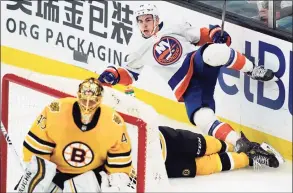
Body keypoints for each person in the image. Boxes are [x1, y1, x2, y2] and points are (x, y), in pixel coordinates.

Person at [97, 4, 277, 153]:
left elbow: (201, 36)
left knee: (215, 51)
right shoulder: (136, 48)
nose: (144, 25)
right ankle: (242, 144)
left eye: (148, 20)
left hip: (195, 62)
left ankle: (252, 70)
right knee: (201, 118)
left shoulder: (174, 26)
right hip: (185, 86)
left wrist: (216, 34)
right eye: (141, 21)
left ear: (157, 20)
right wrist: (114, 74)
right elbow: (130, 74)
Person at [16, 78, 134, 192]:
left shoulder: (114, 123)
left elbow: (119, 168)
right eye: (84, 100)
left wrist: (116, 185)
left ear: (99, 100)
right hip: (56, 174)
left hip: (91, 177)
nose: (87, 105)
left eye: (92, 101)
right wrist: (37, 177)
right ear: (78, 96)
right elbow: (36, 154)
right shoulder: (56, 112)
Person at [157, 125, 281, 178]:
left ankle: (240, 146)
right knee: (204, 166)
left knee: (206, 145)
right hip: (158, 165)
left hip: (165, 140)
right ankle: (248, 158)